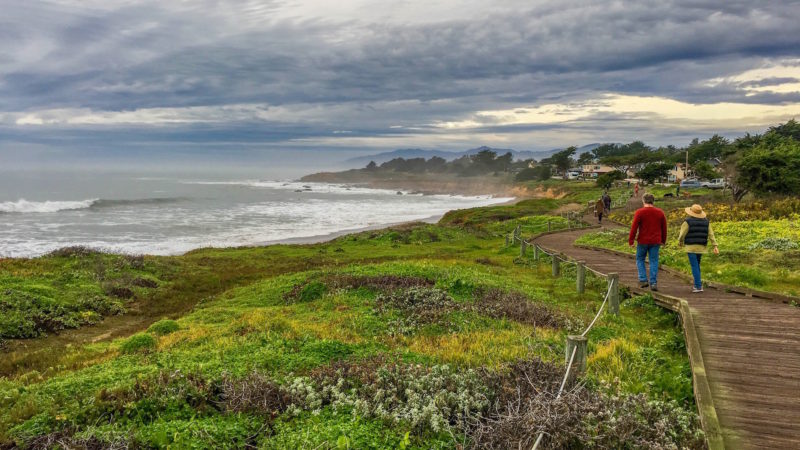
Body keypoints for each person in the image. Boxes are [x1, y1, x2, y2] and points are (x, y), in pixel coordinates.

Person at [628, 193, 667, 291]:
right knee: (654, 261)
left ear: (643, 201)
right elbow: (664, 228)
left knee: (640, 259)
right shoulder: (660, 212)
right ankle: (653, 283)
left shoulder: (640, 212)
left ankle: (643, 279)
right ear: (653, 201)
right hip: (655, 241)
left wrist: (631, 240)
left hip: (643, 240)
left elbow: (634, 227)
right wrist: (663, 240)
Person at [678, 204, 719, 293]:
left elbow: (682, 234)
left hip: (691, 247)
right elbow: (711, 234)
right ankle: (698, 284)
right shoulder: (706, 222)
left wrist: (680, 242)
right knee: (697, 265)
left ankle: (698, 286)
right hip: (701, 247)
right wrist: (715, 246)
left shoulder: (687, 221)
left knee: (694, 266)